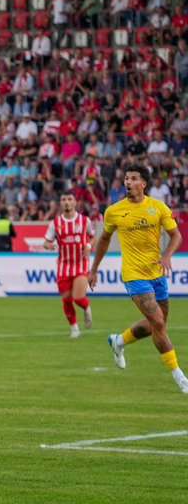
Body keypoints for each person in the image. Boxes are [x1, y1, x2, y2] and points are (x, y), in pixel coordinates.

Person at [89, 164, 188, 394]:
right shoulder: (114, 211)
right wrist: (93, 269)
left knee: (158, 323)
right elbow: (104, 239)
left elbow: (176, 235)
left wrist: (166, 256)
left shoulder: (158, 207)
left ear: (144, 183)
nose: (128, 182)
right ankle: (179, 375)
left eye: (133, 179)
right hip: (134, 275)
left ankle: (119, 342)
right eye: (126, 178)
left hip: (157, 273)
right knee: (159, 324)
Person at [43, 191, 94, 338]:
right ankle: (74, 329)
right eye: (63, 199)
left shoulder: (84, 221)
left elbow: (93, 237)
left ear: (75, 202)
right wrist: (48, 246)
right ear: (60, 203)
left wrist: (89, 246)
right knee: (66, 299)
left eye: (69, 199)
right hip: (63, 266)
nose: (66, 202)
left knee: (78, 298)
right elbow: (46, 242)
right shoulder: (56, 223)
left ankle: (86, 307)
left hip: (80, 264)